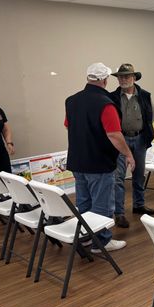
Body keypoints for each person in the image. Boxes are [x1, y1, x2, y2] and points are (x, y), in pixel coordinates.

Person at [65, 63, 135, 253]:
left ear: (88, 78)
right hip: (99, 163)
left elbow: (68, 125)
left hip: (77, 161)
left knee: (84, 202)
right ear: (104, 80)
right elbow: (114, 135)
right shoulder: (105, 103)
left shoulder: (71, 100)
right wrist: (128, 154)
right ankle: (102, 241)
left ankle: (87, 237)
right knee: (102, 205)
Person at [110, 63, 154, 229]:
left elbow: (150, 116)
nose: (123, 79)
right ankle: (119, 213)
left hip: (139, 139)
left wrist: (147, 135)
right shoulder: (112, 97)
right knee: (118, 178)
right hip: (120, 140)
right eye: (120, 77)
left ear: (134, 78)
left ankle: (139, 205)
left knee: (139, 175)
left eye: (126, 76)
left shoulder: (145, 96)